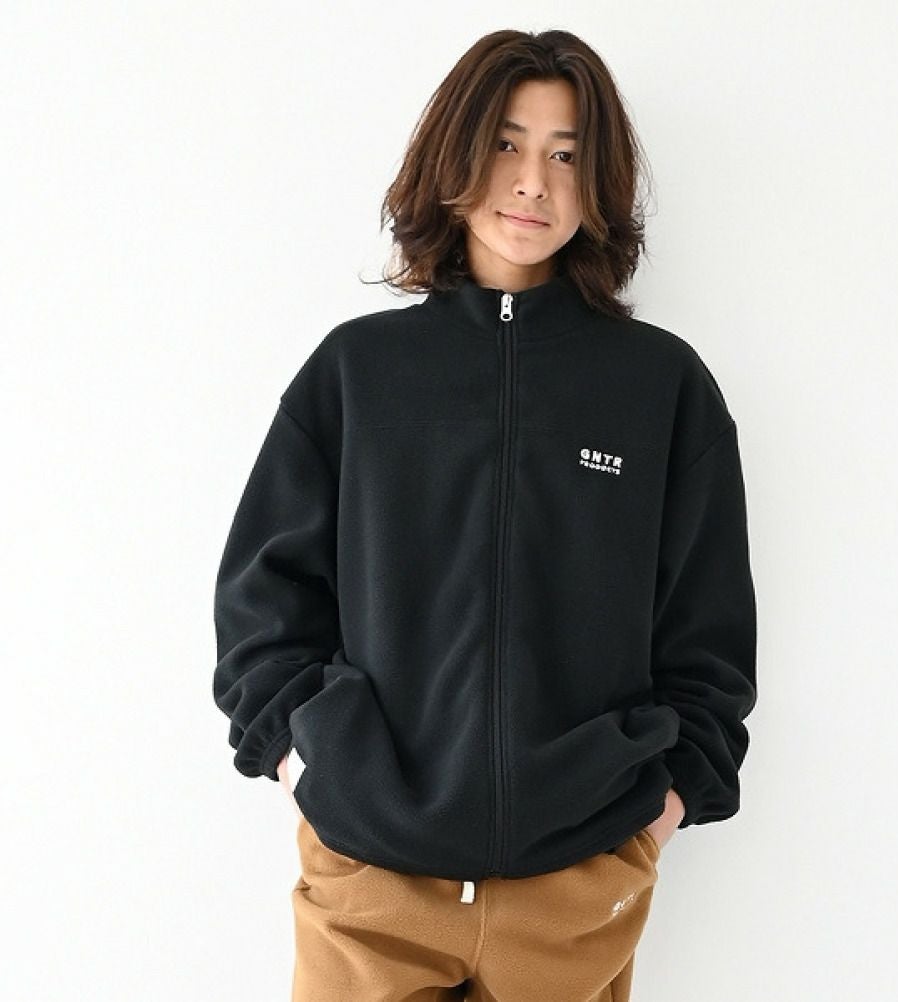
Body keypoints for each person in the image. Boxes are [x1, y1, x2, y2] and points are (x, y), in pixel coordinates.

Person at [213, 27, 757, 1002]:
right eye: (507, 143)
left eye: (566, 155)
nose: (533, 182)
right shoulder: (357, 374)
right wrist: (312, 771)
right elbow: (262, 605)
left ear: (597, 183)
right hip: (372, 882)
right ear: (456, 155)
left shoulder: (660, 387)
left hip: (574, 891)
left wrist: (656, 814)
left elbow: (708, 639)